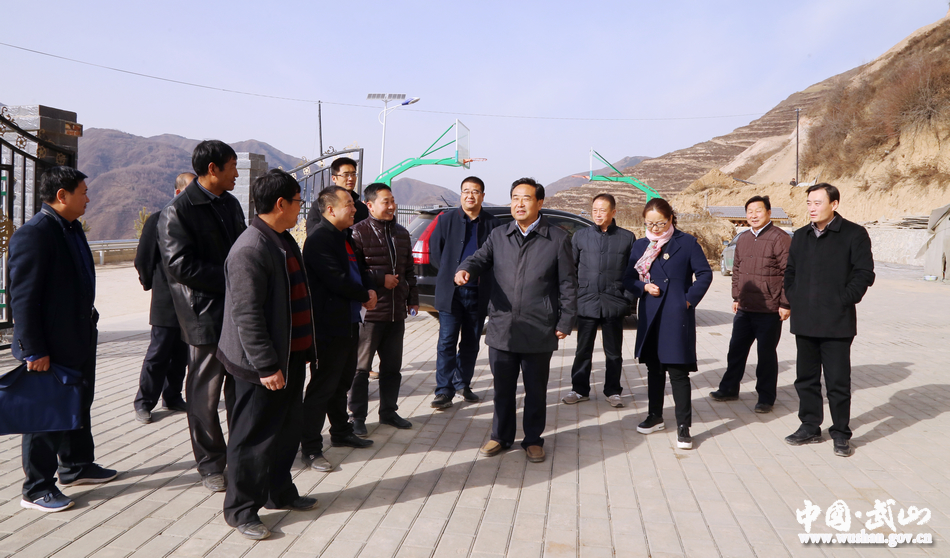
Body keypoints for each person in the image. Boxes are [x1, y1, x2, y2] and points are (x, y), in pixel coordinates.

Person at [216, 169, 318, 540]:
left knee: (285, 431)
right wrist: (266, 364)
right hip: (261, 366)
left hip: (289, 357)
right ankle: (241, 510)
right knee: (252, 438)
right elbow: (246, 315)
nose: (300, 209)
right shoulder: (251, 248)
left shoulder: (282, 239)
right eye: (298, 202)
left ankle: (279, 491)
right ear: (280, 204)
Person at [10, 166, 117, 512]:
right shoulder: (35, 234)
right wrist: (33, 349)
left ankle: (77, 465)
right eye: (83, 192)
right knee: (45, 415)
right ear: (62, 195)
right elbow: (23, 299)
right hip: (49, 347)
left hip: (79, 336)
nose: (88, 199)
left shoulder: (71, 228)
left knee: (78, 403)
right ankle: (36, 488)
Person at [455, 178, 577, 463]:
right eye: (515, 198)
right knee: (502, 389)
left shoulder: (557, 239)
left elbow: (568, 284)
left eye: (526, 198)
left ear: (540, 203)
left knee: (535, 390)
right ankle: (500, 436)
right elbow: (479, 258)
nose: (519, 204)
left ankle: (533, 439)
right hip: (503, 326)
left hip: (539, 326)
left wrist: (565, 321)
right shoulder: (499, 235)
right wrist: (465, 269)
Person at [158, 140, 246, 492]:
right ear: (213, 169)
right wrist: (232, 277)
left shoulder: (230, 203)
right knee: (205, 393)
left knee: (240, 386)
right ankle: (210, 464)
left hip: (237, 311)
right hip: (203, 314)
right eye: (232, 167)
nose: (236, 174)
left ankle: (241, 454)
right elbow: (180, 266)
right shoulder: (178, 210)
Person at [783, 183, 874, 458]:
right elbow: (790, 272)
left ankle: (841, 433)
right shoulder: (800, 235)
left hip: (837, 322)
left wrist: (843, 299)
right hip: (805, 320)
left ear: (834, 204)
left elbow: (864, 272)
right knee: (806, 379)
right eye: (809, 203)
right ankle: (810, 426)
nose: (812, 208)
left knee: (837, 382)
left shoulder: (854, 234)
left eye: (817, 202)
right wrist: (795, 297)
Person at [623, 198, 712, 450]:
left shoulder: (687, 242)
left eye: (660, 223)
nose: (655, 228)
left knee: (678, 371)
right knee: (654, 368)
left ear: (671, 218)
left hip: (676, 313)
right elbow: (628, 278)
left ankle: (684, 426)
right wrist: (643, 287)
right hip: (650, 313)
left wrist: (688, 300)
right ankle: (655, 416)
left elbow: (704, 274)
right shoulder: (641, 245)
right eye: (649, 223)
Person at [301, 186, 378, 472]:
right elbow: (335, 279)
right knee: (322, 387)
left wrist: (369, 289)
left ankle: (341, 432)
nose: (355, 209)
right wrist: (364, 294)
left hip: (349, 321)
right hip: (328, 325)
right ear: (330, 209)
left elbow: (362, 270)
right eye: (349, 204)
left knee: (342, 382)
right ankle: (310, 448)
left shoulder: (345, 237)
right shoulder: (319, 239)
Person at [348, 183, 418, 436]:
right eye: (385, 202)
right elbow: (353, 271)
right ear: (369, 205)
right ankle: (357, 417)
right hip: (371, 314)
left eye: (393, 201)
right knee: (361, 369)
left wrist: (412, 299)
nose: (391, 206)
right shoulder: (357, 233)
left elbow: (409, 270)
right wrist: (380, 278)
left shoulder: (402, 233)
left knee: (392, 367)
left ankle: (388, 411)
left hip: (396, 312)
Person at [710, 195, 791, 413]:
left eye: (758, 210)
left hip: (769, 308)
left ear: (769, 213)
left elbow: (790, 272)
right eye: (750, 211)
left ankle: (765, 398)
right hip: (745, 307)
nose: (753, 215)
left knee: (766, 355)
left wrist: (785, 303)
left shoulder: (780, 238)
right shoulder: (743, 238)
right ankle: (729, 388)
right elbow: (737, 270)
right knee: (736, 350)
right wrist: (736, 297)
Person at [429, 176, 502, 410]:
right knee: (447, 341)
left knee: (471, 342)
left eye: (475, 191)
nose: (470, 195)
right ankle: (443, 390)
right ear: (461, 194)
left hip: (479, 293)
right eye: (466, 191)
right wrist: (451, 274)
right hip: (451, 293)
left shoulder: (492, 224)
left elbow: (497, 258)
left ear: (482, 196)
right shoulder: (446, 220)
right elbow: (434, 253)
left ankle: (463, 384)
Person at [562, 193, 636, 408]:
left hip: (614, 302)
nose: (597, 214)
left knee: (613, 352)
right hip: (586, 301)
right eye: (594, 210)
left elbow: (633, 271)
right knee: (583, 350)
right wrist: (574, 298)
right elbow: (571, 270)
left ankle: (613, 391)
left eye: (602, 210)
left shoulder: (626, 237)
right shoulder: (580, 236)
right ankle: (579, 389)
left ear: (613, 212)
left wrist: (627, 299)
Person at [132, 172, 193, 424]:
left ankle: (173, 396)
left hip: (189, 302)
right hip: (165, 300)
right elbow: (143, 259)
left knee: (181, 354)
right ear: (178, 192)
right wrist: (151, 284)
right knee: (158, 353)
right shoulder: (157, 220)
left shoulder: (195, 221)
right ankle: (144, 402)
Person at [305, 157, 368, 233]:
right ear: (334, 178)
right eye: (346, 174)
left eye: (353, 174)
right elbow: (312, 233)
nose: (351, 178)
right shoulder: (320, 204)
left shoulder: (361, 208)